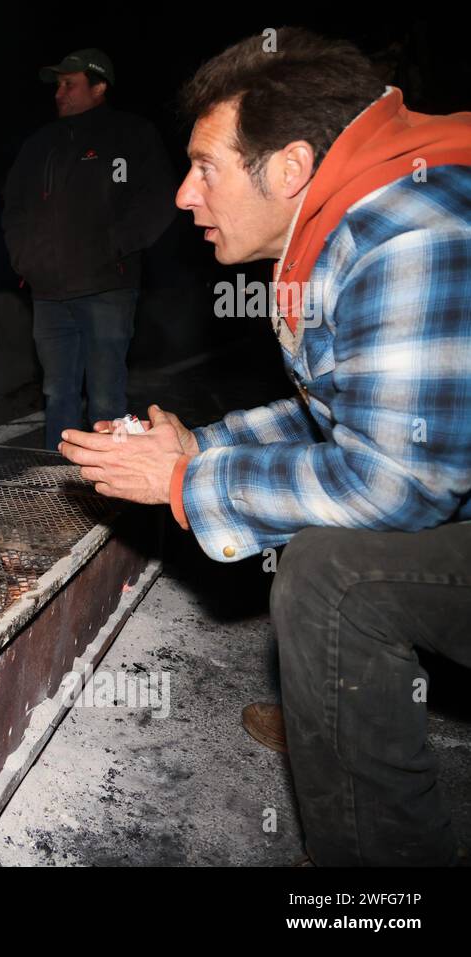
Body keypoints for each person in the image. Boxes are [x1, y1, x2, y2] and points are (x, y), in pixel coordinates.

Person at [58, 28, 471, 866]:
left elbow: (397, 478)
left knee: (332, 580)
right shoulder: (348, 218)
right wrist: (200, 442)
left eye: (204, 166)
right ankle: (337, 709)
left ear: (289, 166)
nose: (181, 195)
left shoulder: (404, 230)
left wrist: (187, 484)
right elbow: (348, 415)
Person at [3, 48, 176, 450]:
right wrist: (24, 259)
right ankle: (54, 482)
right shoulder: (40, 142)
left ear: (99, 87)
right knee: (57, 395)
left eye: (70, 84)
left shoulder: (132, 133)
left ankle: (108, 491)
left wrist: (115, 246)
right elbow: (14, 205)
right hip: (48, 293)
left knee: (104, 398)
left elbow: (160, 197)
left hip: (106, 288)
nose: (59, 93)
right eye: (58, 85)